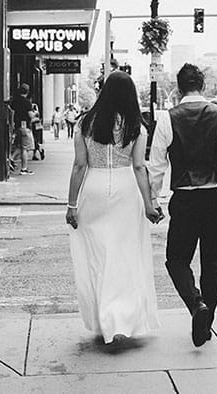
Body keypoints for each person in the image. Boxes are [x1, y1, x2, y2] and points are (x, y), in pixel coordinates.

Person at [148, 63, 217, 347]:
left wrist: (153, 199)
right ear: (203, 86)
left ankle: (197, 306)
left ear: (178, 88)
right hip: (216, 197)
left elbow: (156, 164)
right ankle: (206, 321)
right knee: (213, 261)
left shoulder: (168, 119)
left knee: (176, 259)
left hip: (184, 198)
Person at [65, 71, 162, 344]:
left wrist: (72, 204)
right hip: (125, 190)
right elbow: (140, 167)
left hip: (93, 189)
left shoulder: (85, 123)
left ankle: (104, 317)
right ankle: (122, 317)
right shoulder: (137, 126)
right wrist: (149, 203)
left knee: (97, 255)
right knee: (125, 254)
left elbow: (79, 165)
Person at [9, 84, 35, 176]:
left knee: (20, 146)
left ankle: (10, 159)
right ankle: (24, 169)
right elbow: (31, 115)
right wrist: (35, 114)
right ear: (27, 92)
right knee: (26, 148)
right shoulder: (27, 102)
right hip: (25, 127)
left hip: (17, 126)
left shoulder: (14, 101)